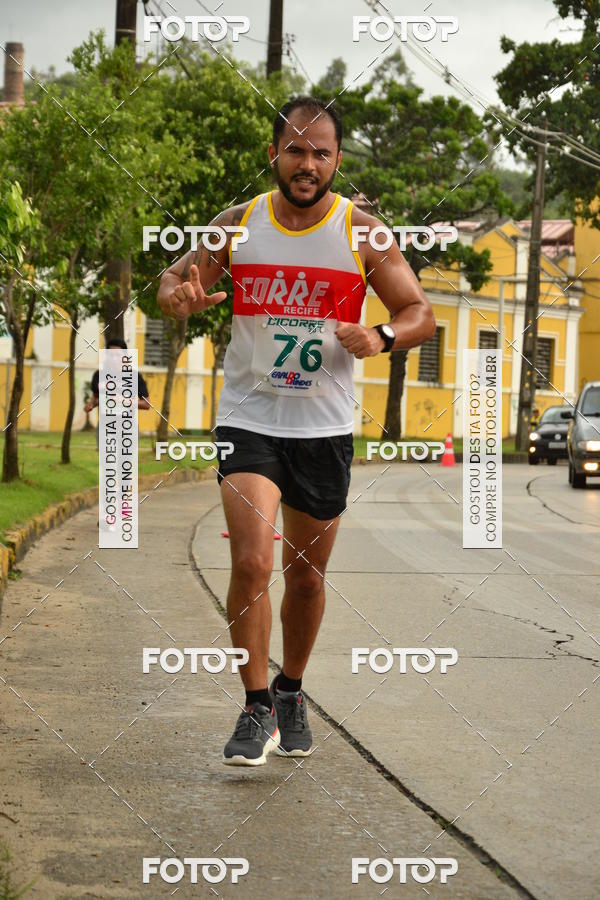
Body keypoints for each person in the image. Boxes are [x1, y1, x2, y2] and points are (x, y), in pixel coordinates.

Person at [157, 96, 436, 766]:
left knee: (305, 578)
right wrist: (177, 296)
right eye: (295, 150)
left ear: (336, 160)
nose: (307, 163)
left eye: (320, 153)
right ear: (274, 154)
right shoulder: (237, 224)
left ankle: (290, 690)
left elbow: (419, 312)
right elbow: (173, 280)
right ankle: (255, 705)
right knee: (252, 562)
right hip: (249, 418)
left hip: (324, 428)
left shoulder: (363, 234)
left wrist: (382, 334)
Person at [85, 338, 151, 443]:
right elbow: (96, 398)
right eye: (111, 355)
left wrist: (123, 400)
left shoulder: (134, 376)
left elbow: (146, 404)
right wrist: (91, 405)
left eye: (117, 355)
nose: (114, 358)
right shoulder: (99, 375)